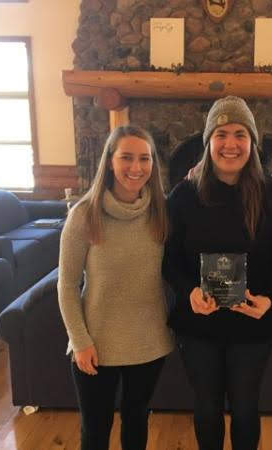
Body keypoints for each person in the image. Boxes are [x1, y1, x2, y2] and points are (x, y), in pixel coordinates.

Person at [163, 96, 272, 450]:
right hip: (198, 322)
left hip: (253, 321)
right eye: (221, 134)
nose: (231, 144)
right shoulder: (183, 195)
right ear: (208, 142)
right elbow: (168, 258)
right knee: (206, 407)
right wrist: (188, 290)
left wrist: (270, 298)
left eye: (240, 133)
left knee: (245, 407)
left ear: (252, 141)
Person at [58, 125, 174, 450]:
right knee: (95, 430)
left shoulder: (161, 212)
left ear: (153, 164)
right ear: (110, 160)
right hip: (95, 344)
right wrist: (79, 341)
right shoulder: (83, 215)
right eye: (126, 157)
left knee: (136, 420)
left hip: (149, 341)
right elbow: (66, 285)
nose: (136, 168)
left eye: (144, 158)